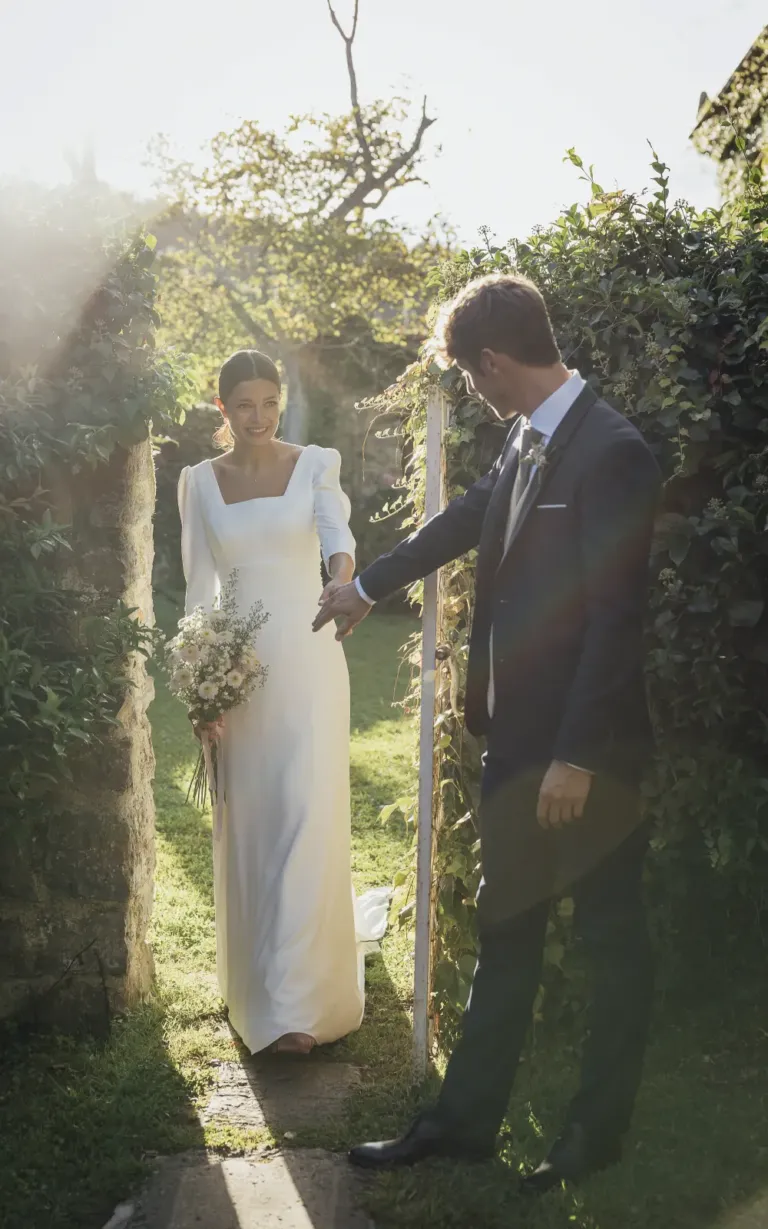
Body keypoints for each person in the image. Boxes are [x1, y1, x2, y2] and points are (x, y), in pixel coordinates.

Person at [314, 275, 661, 1190]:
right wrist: (367, 586)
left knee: (610, 942)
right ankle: (462, 1125)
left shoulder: (614, 451)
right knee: (508, 932)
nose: (475, 390)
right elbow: (470, 518)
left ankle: (594, 1138)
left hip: (590, 763)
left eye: (472, 375)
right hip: (514, 748)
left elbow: (617, 619)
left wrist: (576, 757)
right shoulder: (526, 437)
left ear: (495, 362)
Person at [178, 349, 386, 1057]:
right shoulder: (199, 483)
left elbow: (339, 538)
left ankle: (299, 1009)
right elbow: (198, 591)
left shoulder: (314, 464)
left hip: (308, 654)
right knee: (258, 820)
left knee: (305, 808)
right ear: (222, 409)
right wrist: (201, 683)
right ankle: (263, 988)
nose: (260, 417)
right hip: (238, 673)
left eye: (270, 402)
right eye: (245, 405)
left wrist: (339, 580)